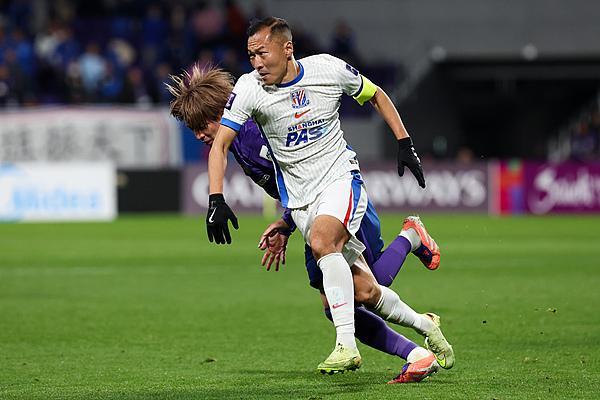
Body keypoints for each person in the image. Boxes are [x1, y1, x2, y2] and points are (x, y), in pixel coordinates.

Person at [200, 16, 453, 376]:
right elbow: (220, 146)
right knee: (358, 293)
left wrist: (404, 141)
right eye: (251, 55)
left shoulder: (327, 70)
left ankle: (346, 346)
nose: (256, 63)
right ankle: (424, 331)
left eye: (263, 53)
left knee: (327, 247)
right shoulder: (249, 88)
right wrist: (216, 199)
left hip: (339, 180)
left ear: (287, 48)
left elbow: (375, 94)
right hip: (303, 203)